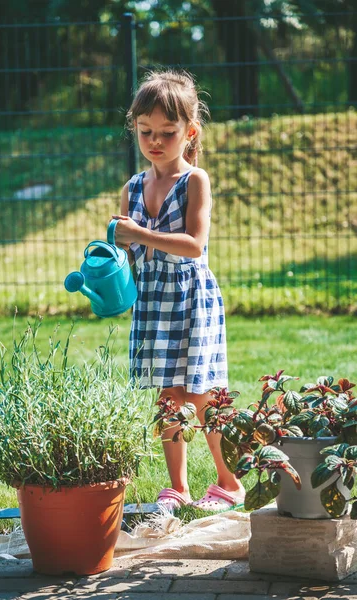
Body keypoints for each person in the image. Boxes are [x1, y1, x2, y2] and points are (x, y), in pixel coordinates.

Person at [110, 69, 244, 511]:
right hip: (152, 301)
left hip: (190, 300)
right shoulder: (132, 187)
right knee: (168, 395)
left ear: (189, 132)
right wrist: (114, 252)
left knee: (202, 395)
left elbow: (193, 245)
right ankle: (178, 488)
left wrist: (138, 235)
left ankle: (228, 482)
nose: (155, 141)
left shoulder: (194, 181)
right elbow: (130, 253)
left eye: (167, 133)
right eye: (145, 131)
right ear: (135, 128)